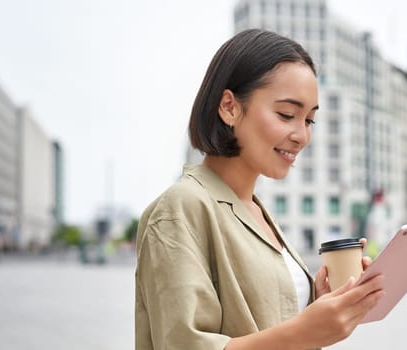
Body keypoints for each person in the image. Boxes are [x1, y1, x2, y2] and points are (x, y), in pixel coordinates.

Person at [135, 29, 385, 350]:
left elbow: (268, 327)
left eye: (309, 120)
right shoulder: (181, 208)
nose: (301, 135)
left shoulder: (257, 212)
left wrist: (319, 303)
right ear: (229, 107)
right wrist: (305, 330)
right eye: (286, 114)